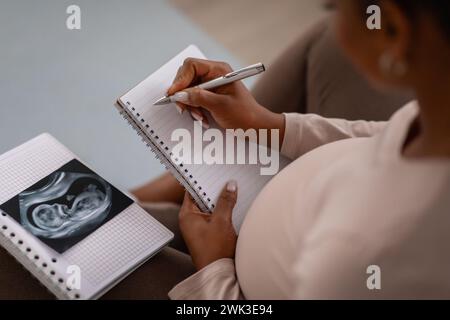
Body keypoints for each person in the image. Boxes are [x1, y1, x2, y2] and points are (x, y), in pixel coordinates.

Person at [134, 0, 450, 299]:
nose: (333, 14)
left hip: (229, 278)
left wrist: (212, 266)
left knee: (100, 244)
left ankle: (163, 193)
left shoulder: (365, 256)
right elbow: (377, 136)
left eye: (335, 6)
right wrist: (266, 124)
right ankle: (168, 188)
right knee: (328, 42)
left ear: (394, 29)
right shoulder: (435, 117)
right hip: (283, 205)